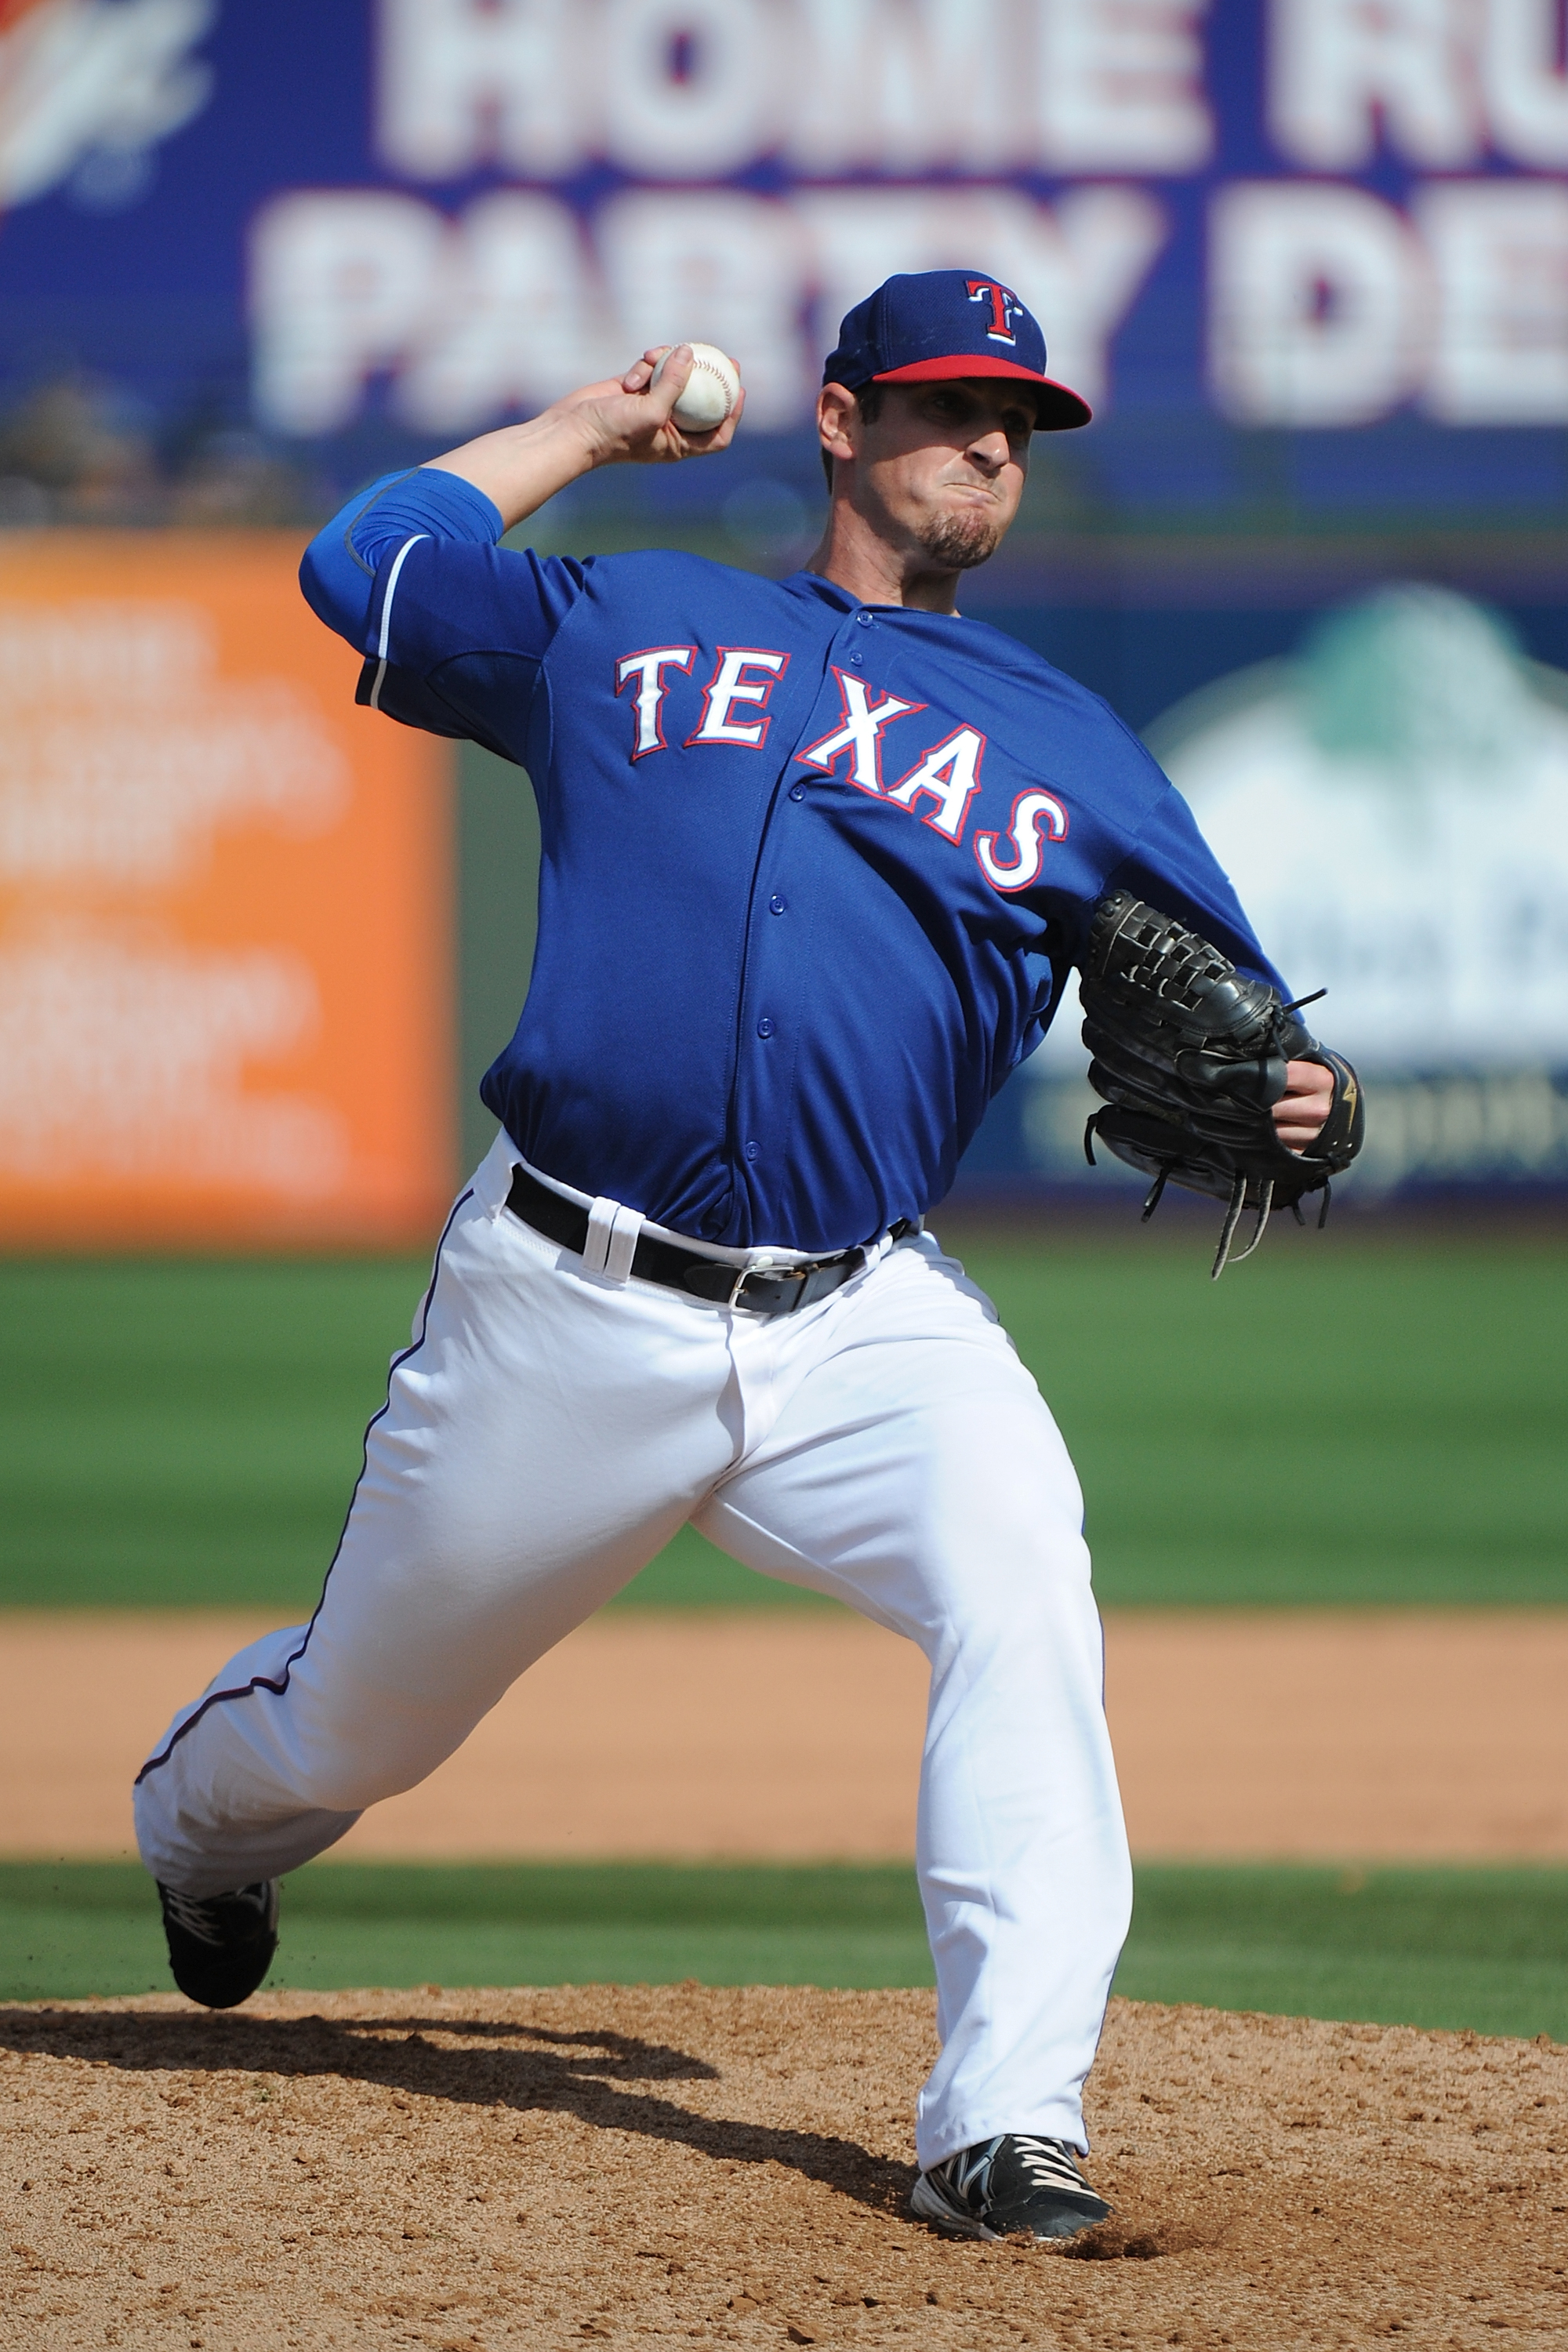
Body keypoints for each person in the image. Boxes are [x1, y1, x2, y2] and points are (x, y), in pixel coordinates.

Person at [133, 272, 1335, 2244]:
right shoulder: (635, 617)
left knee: (1021, 1586)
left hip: (866, 1316)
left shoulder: (1071, 744)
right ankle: (195, 1834)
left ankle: (1005, 2119)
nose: (994, 443)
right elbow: (366, 560)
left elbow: (1258, 1038)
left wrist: (1313, 1099)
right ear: (844, 421)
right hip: (562, 1300)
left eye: (1019, 418)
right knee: (362, 1725)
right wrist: (592, 430)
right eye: (953, 403)